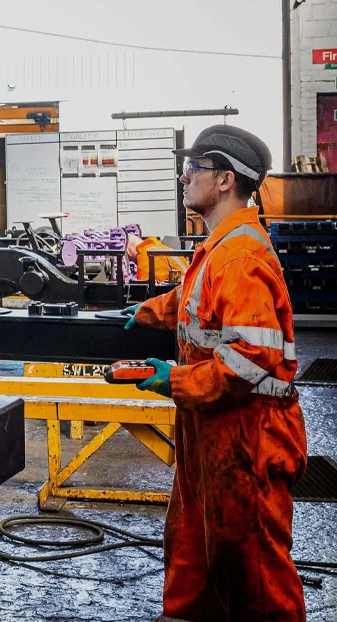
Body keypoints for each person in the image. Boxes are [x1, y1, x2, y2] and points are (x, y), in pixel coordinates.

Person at [123, 126, 307, 619]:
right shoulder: (219, 247)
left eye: (194, 167)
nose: (184, 177)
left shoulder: (240, 256)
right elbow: (195, 302)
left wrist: (174, 380)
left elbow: (250, 361)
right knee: (193, 555)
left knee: (253, 575)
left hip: (247, 437)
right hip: (211, 432)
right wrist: (146, 312)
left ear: (226, 180)